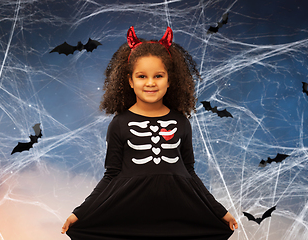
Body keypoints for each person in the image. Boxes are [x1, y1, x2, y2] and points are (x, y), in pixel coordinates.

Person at [61, 26, 238, 240]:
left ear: (170, 80)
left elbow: (190, 172)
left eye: (159, 76)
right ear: (130, 81)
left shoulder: (181, 122)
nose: (151, 83)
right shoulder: (119, 123)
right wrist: (80, 213)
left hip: (178, 213)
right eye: (142, 76)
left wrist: (220, 212)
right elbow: (111, 175)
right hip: (129, 213)